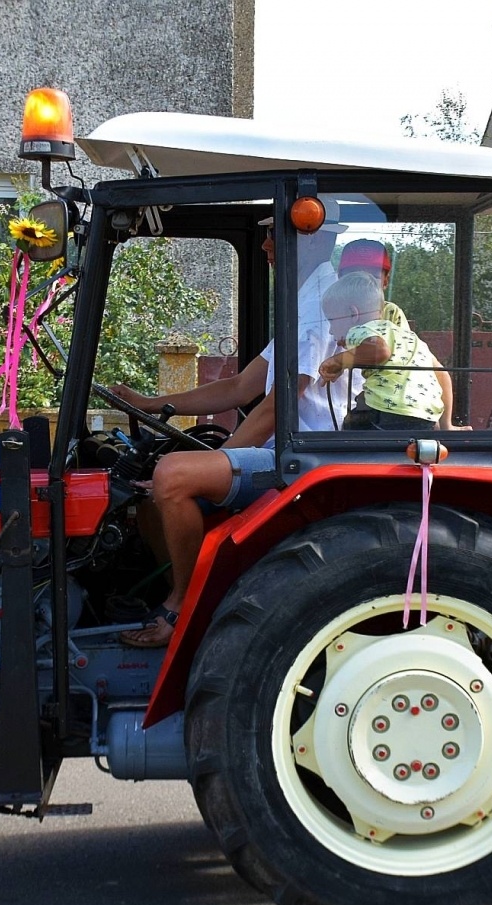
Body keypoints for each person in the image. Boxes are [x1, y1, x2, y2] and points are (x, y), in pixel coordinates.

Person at [108, 213, 345, 648]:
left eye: (274, 233)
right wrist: (150, 403)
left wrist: (213, 461)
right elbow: (239, 387)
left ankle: (182, 607)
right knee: (151, 492)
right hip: (290, 450)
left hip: (307, 460)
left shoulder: (320, 307)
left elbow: (276, 409)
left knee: (172, 476)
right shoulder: (305, 300)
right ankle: (180, 595)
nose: (266, 245)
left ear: (310, 238)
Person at [334, 239, 464, 430]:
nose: (364, 282)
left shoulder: (389, 314)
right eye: (354, 276)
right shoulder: (330, 310)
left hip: (385, 406)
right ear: (339, 278)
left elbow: (428, 366)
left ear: (386, 280)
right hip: (329, 415)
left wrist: (445, 425)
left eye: (372, 276)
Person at [317, 271, 444, 431]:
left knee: (349, 428)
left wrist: (337, 360)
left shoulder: (361, 329)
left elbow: (379, 351)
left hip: (389, 413)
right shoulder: (406, 336)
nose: (330, 331)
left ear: (352, 314)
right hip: (427, 417)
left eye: (332, 321)